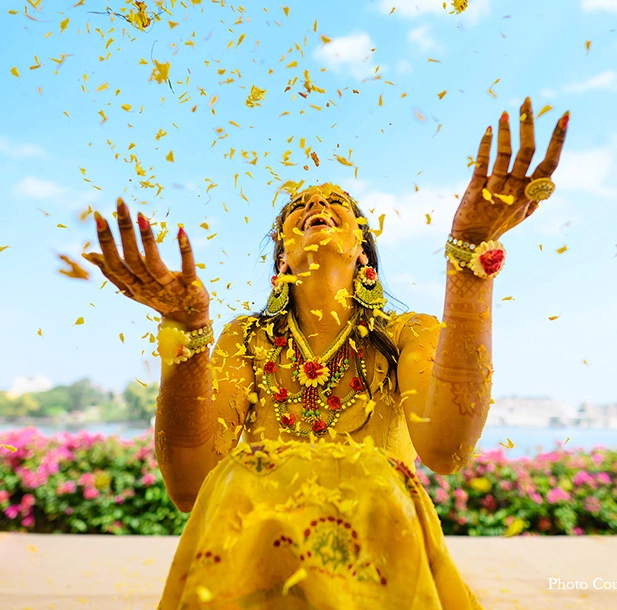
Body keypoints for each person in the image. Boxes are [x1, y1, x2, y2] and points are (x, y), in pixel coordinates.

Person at [85, 97, 568, 609]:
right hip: (258, 557)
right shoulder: (244, 339)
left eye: (337, 204)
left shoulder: (408, 332)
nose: (316, 206)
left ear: (363, 250)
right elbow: (190, 486)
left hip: (380, 550)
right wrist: (186, 327)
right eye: (297, 208)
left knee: (379, 480)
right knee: (234, 480)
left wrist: (469, 254)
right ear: (282, 257)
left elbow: (448, 451)